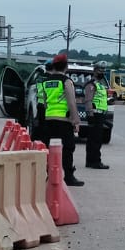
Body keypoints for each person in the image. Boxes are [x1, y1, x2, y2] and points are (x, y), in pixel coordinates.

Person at [35, 55, 82, 187]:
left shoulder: (46, 82)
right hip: (64, 120)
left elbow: (44, 103)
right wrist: (76, 121)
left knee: (49, 148)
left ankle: (48, 175)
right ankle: (68, 176)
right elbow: (71, 102)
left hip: (49, 119)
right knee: (68, 148)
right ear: (66, 67)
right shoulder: (66, 81)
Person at [85, 71, 110, 170]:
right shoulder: (91, 85)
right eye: (100, 70)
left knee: (96, 139)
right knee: (94, 139)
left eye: (104, 70)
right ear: (95, 71)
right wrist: (90, 114)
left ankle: (91, 161)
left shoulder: (100, 85)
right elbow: (88, 100)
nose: (103, 72)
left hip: (100, 114)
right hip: (95, 114)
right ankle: (95, 161)